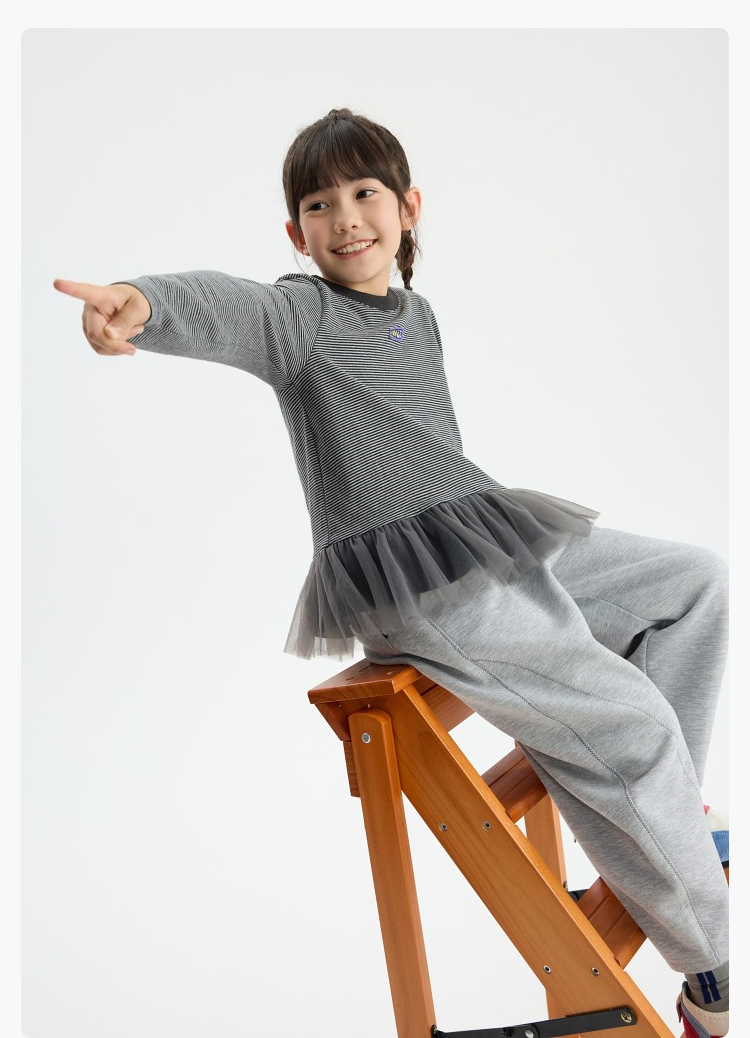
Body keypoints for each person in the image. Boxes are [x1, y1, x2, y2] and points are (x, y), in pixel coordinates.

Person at [53, 107, 729, 1037]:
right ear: (296, 234)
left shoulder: (419, 315)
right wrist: (142, 301)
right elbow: (229, 307)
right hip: (423, 586)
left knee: (693, 584)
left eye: (365, 193)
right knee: (631, 718)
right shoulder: (301, 317)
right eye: (319, 205)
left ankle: (668, 823)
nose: (346, 218)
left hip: (479, 529)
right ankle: (712, 970)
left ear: (409, 208)